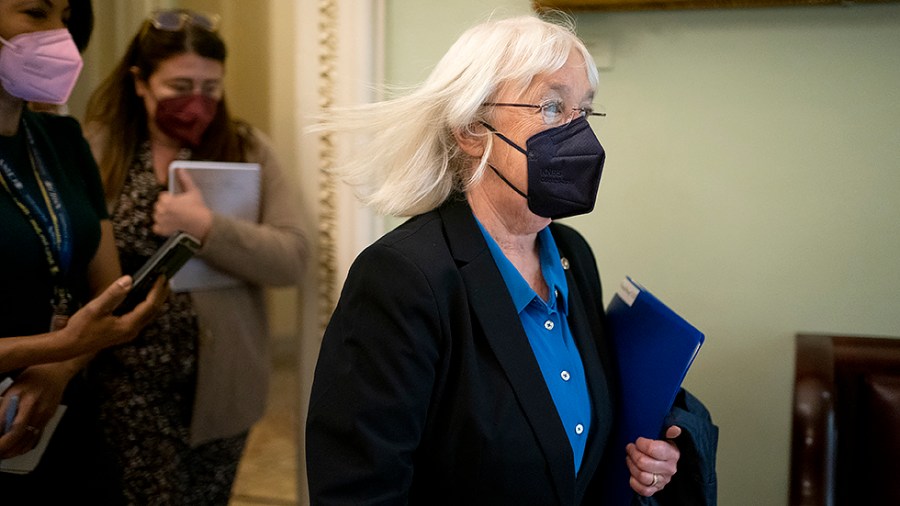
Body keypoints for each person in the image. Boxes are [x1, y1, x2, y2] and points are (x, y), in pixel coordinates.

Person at [306, 14, 717, 505]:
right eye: (549, 106)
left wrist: (649, 458)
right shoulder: (402, 278)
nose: (576, 133)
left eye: (582, 110)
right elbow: (357, 491)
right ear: (470, 129)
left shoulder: (572, 256)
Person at [83, 8, 308, 505]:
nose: (196, 103)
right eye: (179, 86)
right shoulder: (98, 148)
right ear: (140, 82)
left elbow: (292, 257)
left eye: (210, 89)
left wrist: (207, 228)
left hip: (224, 388)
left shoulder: (247, 148)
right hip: (126, 382)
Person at [0, 0, 165, 502]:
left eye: (66, 19)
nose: (61, 36)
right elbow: (85, 329)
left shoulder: (62, 141)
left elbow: (104, 293)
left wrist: (56, 371)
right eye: (36, 12)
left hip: (66, 416)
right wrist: (58, 348)